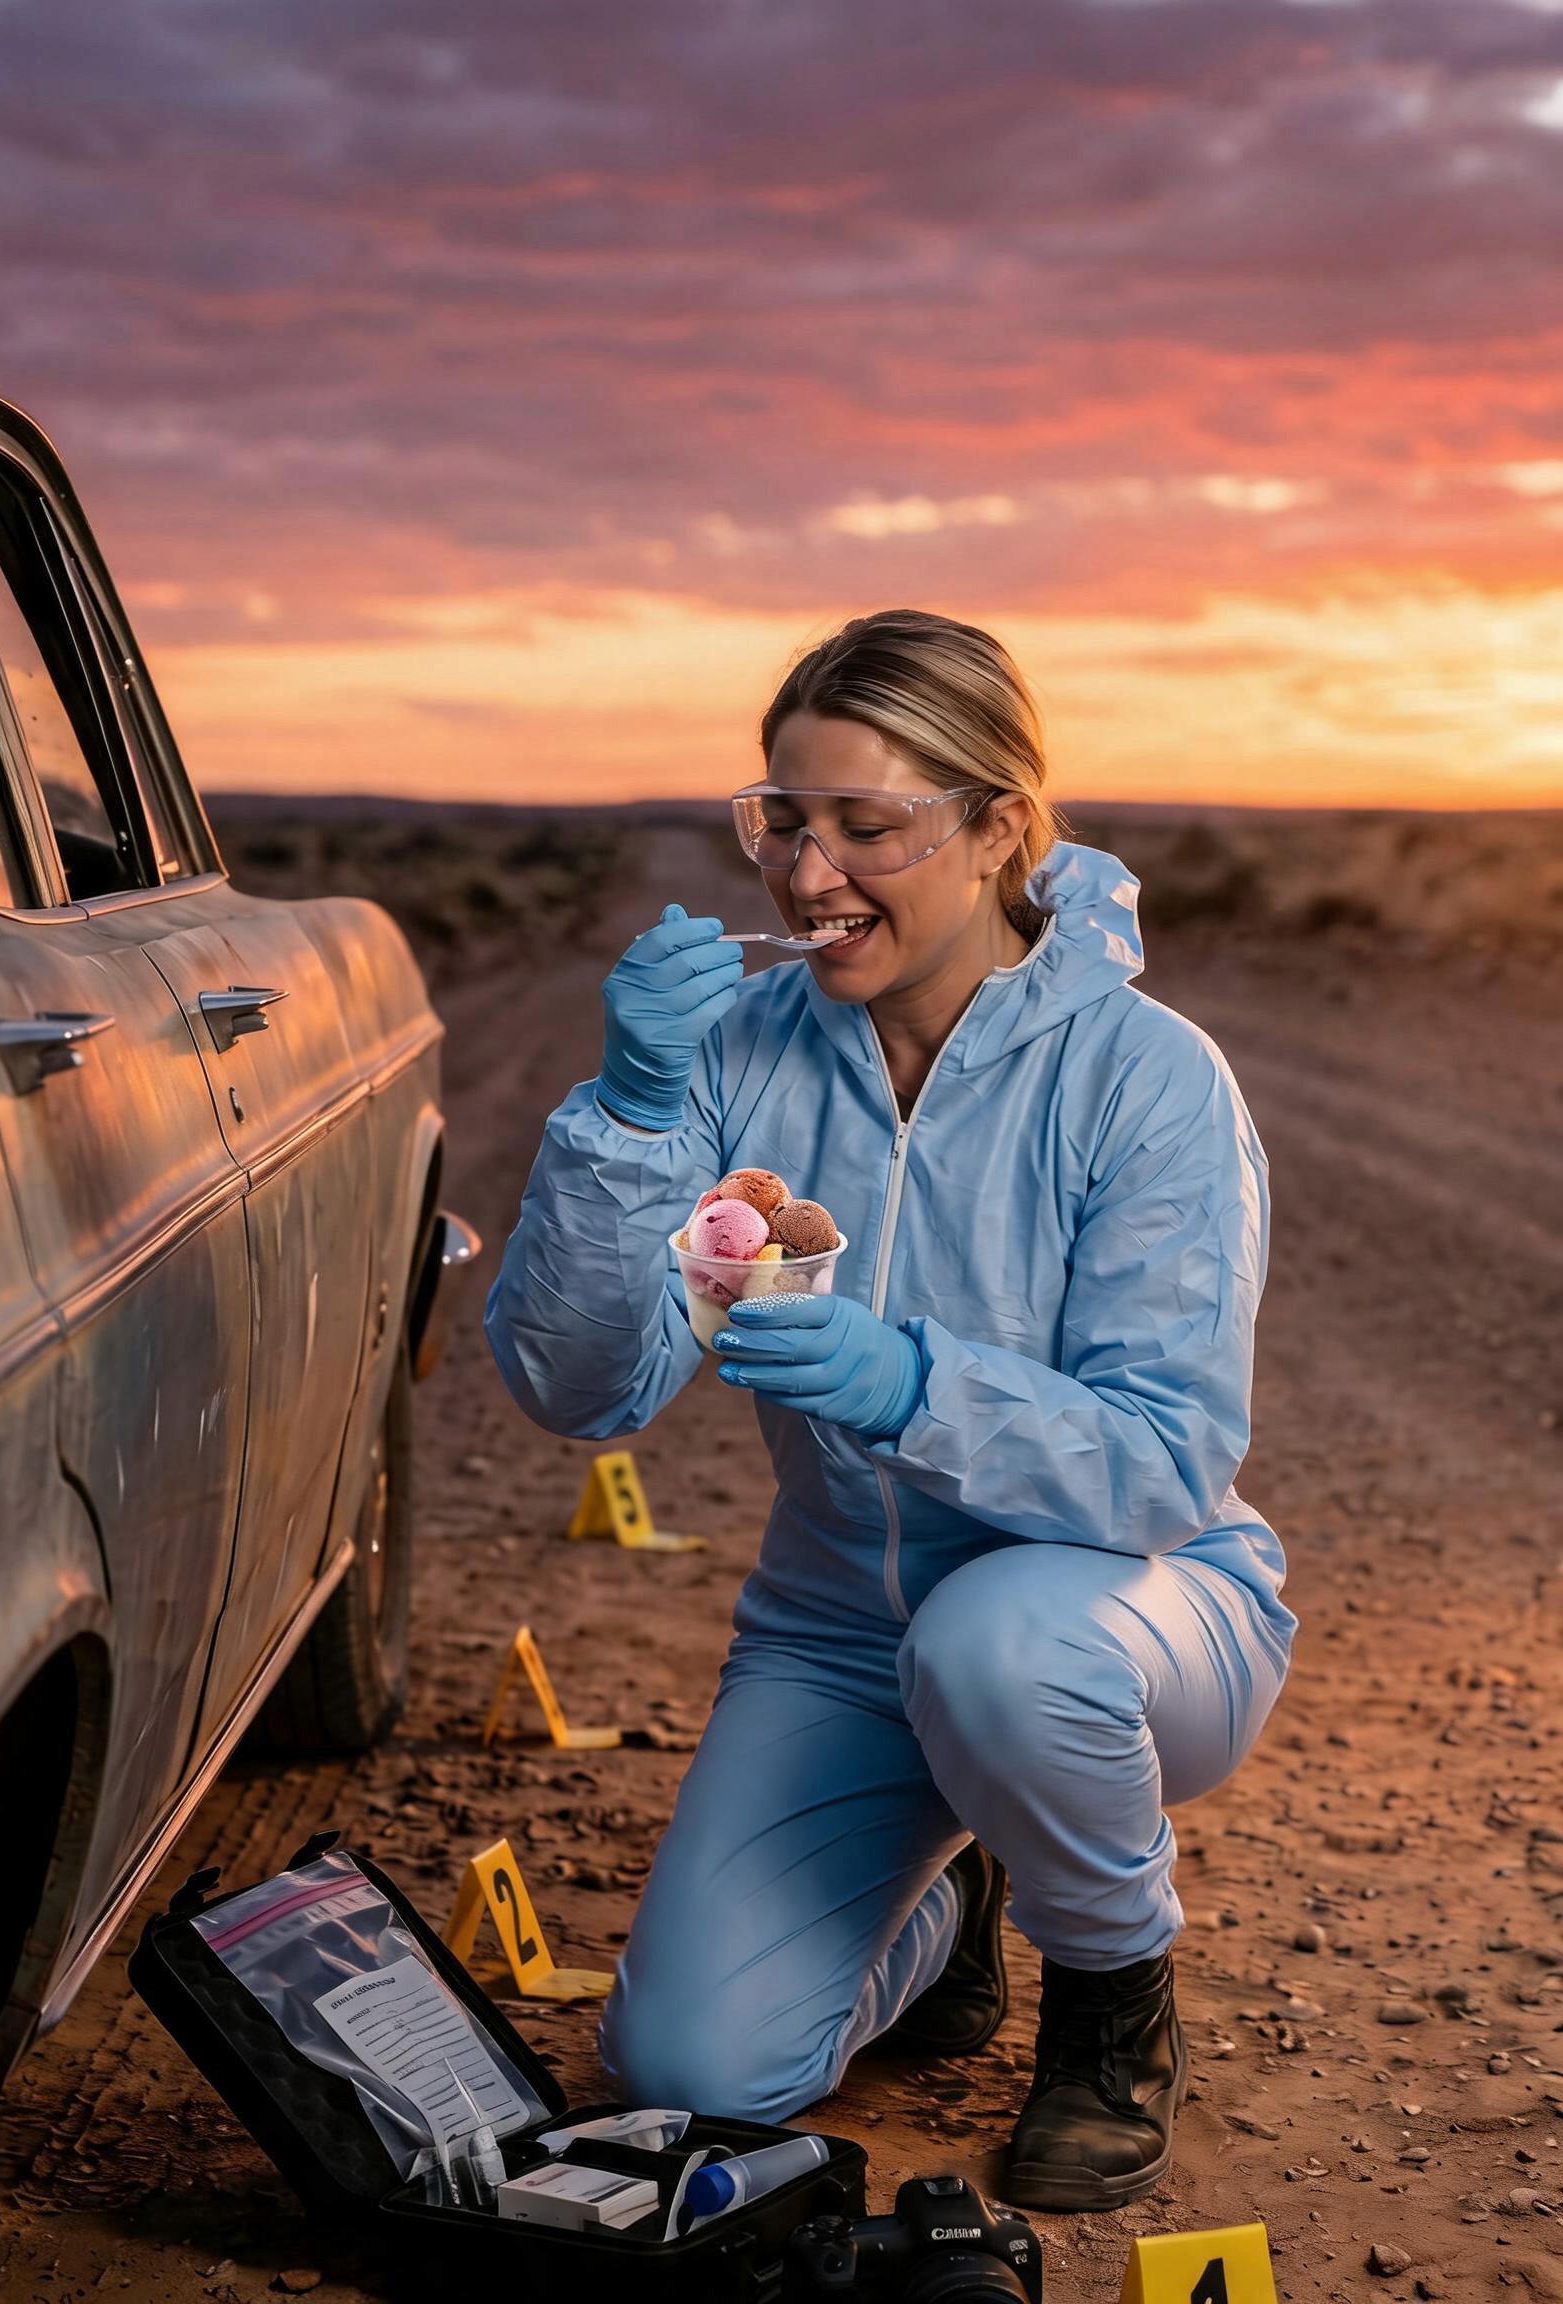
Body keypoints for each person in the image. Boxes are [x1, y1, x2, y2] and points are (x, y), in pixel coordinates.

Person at [485, 608, 1296, 2211]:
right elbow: (581, 1388)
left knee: (998, 1644)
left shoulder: (1147, 1077)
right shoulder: (737, 1054)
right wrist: (634, 1115)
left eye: (867, 827)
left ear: (1000, 828)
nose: (804, 876)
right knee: (690, 2079)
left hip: (1140, 1611)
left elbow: (1162, 1465)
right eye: (781, 821)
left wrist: (910, 1379)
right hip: (840, 1633)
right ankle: (937, 1920)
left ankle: (1114, 2001)